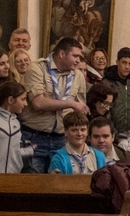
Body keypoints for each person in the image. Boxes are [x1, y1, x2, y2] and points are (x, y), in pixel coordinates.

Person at [22, 37, 89, 173]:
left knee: (58, 184)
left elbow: (80, 107)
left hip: (61, 138)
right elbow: (38, 103)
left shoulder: (78, 76)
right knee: (33, 185)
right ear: (62, 54)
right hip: (34, 136)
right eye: (75, 56)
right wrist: (70, 104)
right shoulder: (37, 68)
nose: (78, 60)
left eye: (80, 57)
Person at [103, 47, 130, 134]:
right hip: (112, 132)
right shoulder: (106, 83)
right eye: (124, 63)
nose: (127, 67)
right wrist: (113, 132)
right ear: (117, 62)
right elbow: (104, 111)